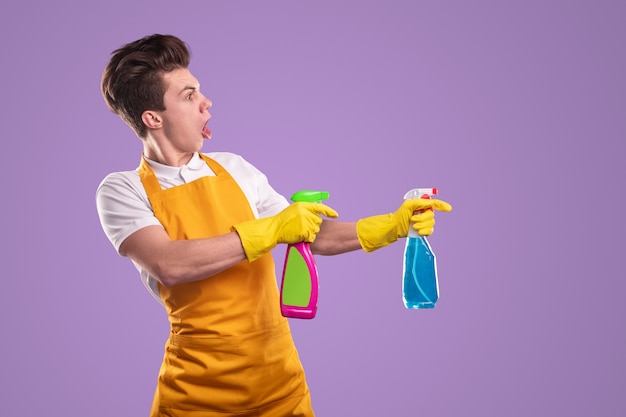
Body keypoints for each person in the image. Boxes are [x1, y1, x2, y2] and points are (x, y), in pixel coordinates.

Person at [96, 34, 452, 417]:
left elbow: (307, 232)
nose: (206, 102)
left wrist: (391, 225)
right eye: (188, 95)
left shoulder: (235, 168)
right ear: (153, 118)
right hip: (197, 396)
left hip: (280, 384)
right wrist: (270, 230)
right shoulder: (122, 190)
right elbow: (169, 263)